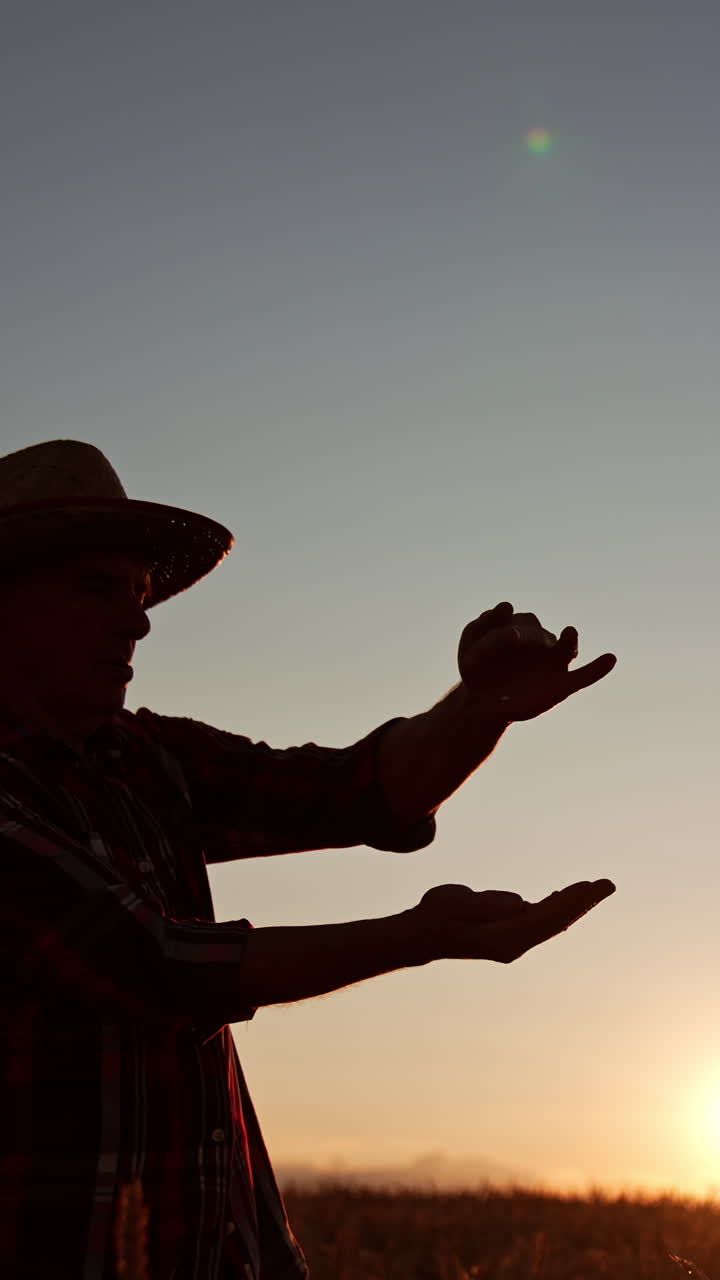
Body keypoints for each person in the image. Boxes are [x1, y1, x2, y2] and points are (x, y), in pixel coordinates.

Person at [0, 439, 616, 1280]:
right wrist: (416, 936)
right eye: (97, 589)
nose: (138, 619)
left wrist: (482, 708)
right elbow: (155, 963)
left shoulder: (147, 761)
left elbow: (356, 790)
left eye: (140, 594)